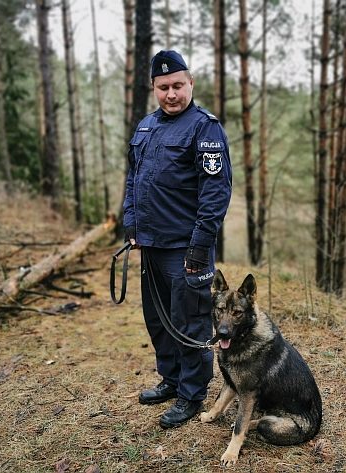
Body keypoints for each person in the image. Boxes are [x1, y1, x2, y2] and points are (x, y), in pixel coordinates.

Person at [122, 50, 232, 429]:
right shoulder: (146, 127)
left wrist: (200, 246)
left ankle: (191, 394)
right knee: (158, 320)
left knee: (190, 323)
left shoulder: (205, 128)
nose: (171, 94)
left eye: (178, 86)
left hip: (186, 249)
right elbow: (133, 180)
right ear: (154, 88)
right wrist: (131, 225)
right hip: (150, 245)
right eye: (163, 87)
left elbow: (215, 193)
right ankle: (170, 380)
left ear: (191, 83)